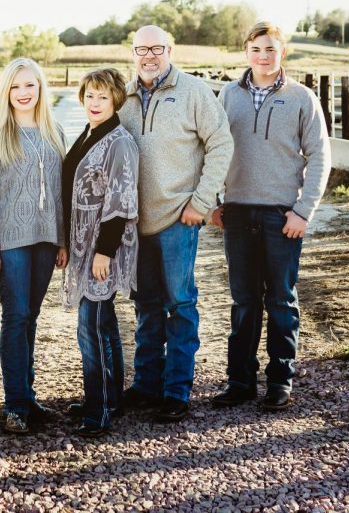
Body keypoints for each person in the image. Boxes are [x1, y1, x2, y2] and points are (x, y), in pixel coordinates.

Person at [211, 21, 331, 411]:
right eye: (256, 49)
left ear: (283, 53)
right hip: (238, 211)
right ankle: (241, 381)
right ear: (246, 51)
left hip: (283, 216)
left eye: (270, 49)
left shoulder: (302, 98)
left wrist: (303, 211)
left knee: (281, 299)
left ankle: (280, 381)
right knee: (244, 301)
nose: (263, 56)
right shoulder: (228, 94)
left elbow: (320, 157)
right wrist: (213, 200)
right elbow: (210, 149)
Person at [118, 25, 234, 422]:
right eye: (140, 49)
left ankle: (177, 391)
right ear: (132, 53)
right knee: (146, 307)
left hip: (178, 219)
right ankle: (146, 385)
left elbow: (221, 143)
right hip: (136, 223)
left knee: (179, 305)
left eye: (156, 48)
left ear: (171, 49)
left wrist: (201, 202)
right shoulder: (126, 96)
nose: (148, 56)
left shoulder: (194, 92)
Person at [0, 57, 68, 434]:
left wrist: (62, 240)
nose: (23, 93)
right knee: (15, 317)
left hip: (46, 240)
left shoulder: (55, 130)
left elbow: (61, 192)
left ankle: (28, 397)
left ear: (40, 88)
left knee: (31, 316)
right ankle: (14, 405)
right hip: (10, 242)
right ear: (6, 91)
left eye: (30, 85)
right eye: (15, 87)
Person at [62, 68, 139, 438]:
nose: (94, 103)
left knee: (89, 329)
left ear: (116, 101)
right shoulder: (90, 133)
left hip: (101, 248)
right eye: (89, 96)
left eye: (103, 98)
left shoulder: (119, 142)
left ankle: (98, 410)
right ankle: (112, 398)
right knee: (102, 323)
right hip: (83, 246)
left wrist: (104, 253)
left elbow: (121, 202)